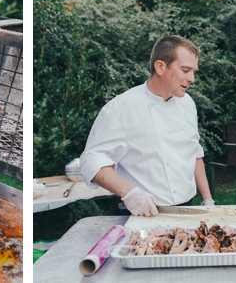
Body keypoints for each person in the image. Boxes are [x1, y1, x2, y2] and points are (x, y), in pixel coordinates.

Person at [80, 35, 214, 217]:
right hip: (140, 213)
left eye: (194, 72)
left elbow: (194, 153)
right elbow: (92, 159)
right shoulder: (121, 108)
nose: (192, 78)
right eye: (185, 70)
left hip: (186, 210)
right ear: (160, 67)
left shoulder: (188, 103)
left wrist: (207, 200)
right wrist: (129, 192)